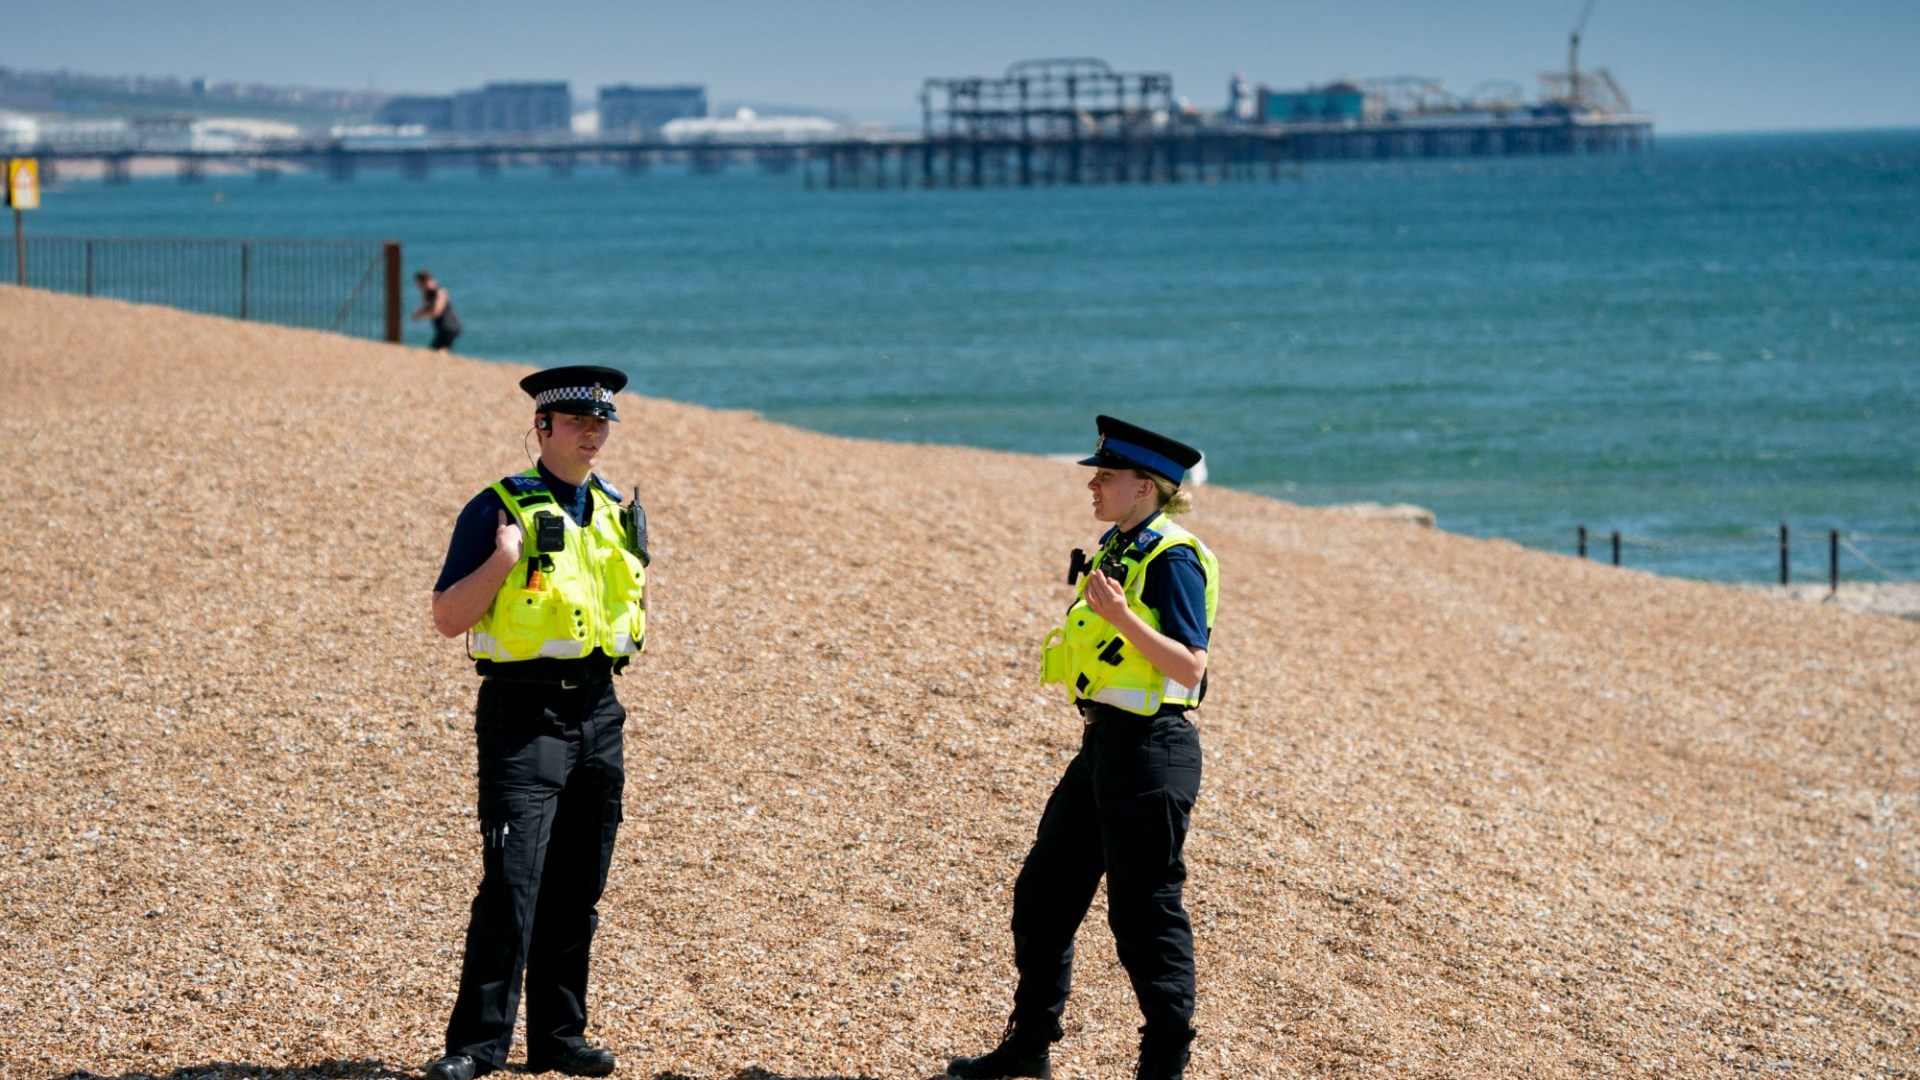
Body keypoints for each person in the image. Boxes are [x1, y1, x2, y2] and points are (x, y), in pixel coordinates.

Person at [948, 416, 1218, 1080]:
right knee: (1043, 895)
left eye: (1107, 475)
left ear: (1145, 487)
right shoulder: (1119, 544)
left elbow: (1191, 668)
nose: (1094, 485)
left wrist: (1123, 617)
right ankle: (1030, 1045)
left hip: (1153, 752)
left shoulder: (1174, 556)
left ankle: (1164, 1066)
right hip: (1103, 747)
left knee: (1143, 915)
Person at [424, 365, 649, 1080]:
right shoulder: (495, 509)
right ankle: (475, 1047)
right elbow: (447, 618)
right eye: (578, 421)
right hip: (523, 715)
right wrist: (503, 560)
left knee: (579, 884)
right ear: (543, 428)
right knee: (512, 880)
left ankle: (559, 1038)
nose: (593, 432)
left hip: (597, 708)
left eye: (602, 421)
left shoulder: (614, 507)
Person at [413, 270, 463, 353]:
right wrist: (419, 311)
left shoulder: (440, 292)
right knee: (436, 351)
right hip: (441, 327)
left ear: (425, 282)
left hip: (450, 326)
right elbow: (425, 307)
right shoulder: (427, 294)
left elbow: (436, 312)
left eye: (420, 285)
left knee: (440, 352)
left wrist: (419, 315)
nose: (420, 288)